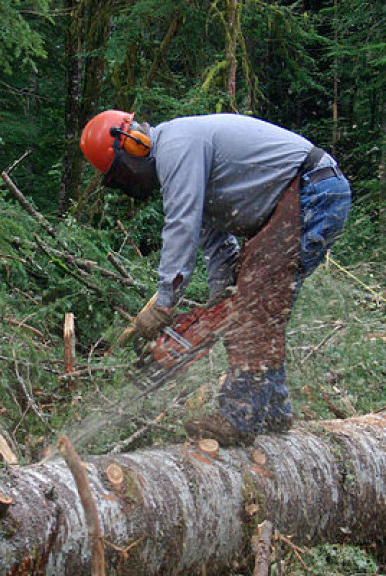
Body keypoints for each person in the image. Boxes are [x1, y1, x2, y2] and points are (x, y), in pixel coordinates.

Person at [80, 110, 351, 444]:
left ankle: (240, 417)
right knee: (251, 306)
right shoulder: (186, 160)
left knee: (256, 307)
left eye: (121, 173)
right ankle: (274, 411)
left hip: (312, 190)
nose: (127, 182)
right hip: (296, 199)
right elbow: (217, 243)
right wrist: (221, 300)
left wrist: (165, 303)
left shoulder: (176, 146)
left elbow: (182, 226)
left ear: (134, 144)